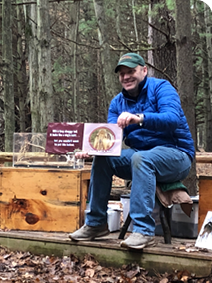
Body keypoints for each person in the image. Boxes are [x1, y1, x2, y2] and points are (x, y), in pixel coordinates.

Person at [69, 53, 195, 249]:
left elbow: (172, 119)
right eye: (122, 74)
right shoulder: (117, 103)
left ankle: (144, 231)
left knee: (141, 158)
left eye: (131, 71)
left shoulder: (162, 88)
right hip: (141, 157)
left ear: (144, 71)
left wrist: (139, 117)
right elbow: (112, 139)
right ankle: (96, 223)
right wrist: (93, 150)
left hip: (177, 155)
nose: (126, 77)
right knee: (104, 160)